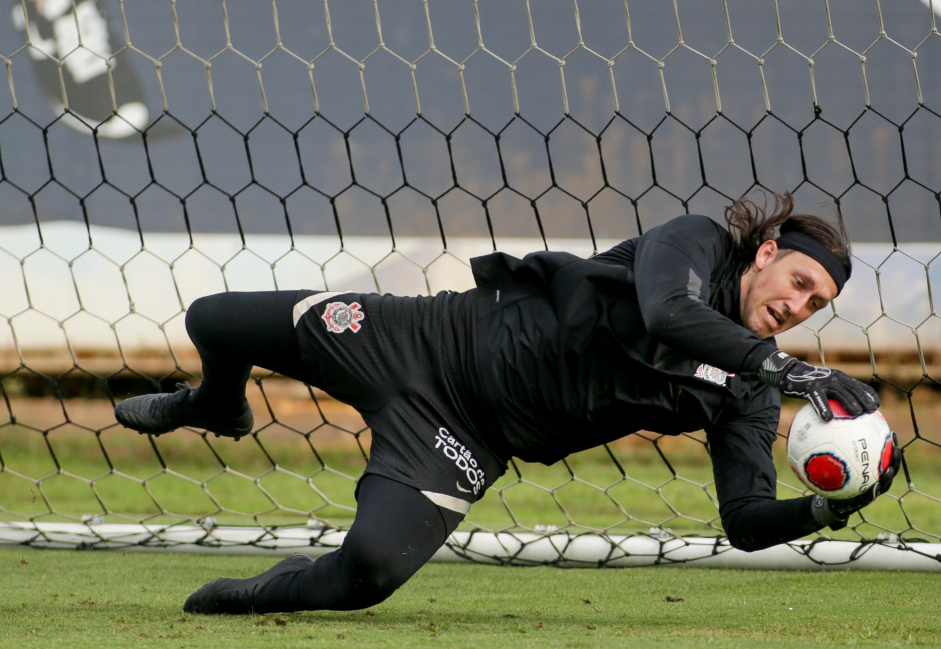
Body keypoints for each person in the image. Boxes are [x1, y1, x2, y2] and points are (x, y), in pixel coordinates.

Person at [114, 191, 901, 615]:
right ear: (765, 254)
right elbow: (665, 312)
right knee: (211, 318)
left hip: (464, 437)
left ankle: (254, 591)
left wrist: (828, 510)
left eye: (816, 304)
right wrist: (789, 369)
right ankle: (217, 404)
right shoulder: (695, 242)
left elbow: (743, 519)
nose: (800, 305)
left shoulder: (748, 396)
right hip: (419, 339)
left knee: (362, 577)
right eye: (798, 282)